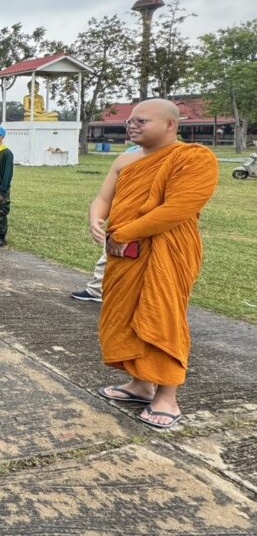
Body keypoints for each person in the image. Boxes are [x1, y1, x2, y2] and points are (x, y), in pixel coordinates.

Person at [93, 100, 219, 429]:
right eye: (130, 121)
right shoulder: (125, 159)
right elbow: (104, 197)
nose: (132, 125)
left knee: (162, 316)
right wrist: (96, 218)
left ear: (170, 125)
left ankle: (167, 396)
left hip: (167, 250)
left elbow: (179, 208)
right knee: (126, 315)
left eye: (142, 121)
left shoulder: (193, 158)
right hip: (125, 254)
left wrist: (125, 232)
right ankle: (140, 384)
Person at [72, 143, 142, 303]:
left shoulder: (172, 157)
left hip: (143, 222)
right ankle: (97, 289)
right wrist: (97, 217)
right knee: (110, 255)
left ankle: (101, 290)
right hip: (122, 218)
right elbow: (106, 196)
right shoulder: (130, 154)